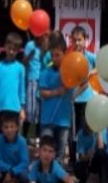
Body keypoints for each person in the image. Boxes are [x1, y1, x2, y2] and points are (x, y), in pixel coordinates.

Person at [39, 32, 73, 166]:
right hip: (48, 119)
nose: (54, 58)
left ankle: (57, 181)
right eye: (52, 55)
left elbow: (79, 83)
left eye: (57, 55)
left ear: (65, 53)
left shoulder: (70, 71)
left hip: (64, 120)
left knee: (59, 154)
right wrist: (58, 91)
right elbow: (42, 93)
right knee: (46, 153)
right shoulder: (46, 72)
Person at [67, 26, 96, 170]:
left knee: (85, 130)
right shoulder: (69, 56)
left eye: (80, 40)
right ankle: (73, 160)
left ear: (85, 41)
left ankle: (85, 160)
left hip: (86, 98)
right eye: (75, 40)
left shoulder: (90, 56)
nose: (77, 43)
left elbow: (100, 67)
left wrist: (90, 72)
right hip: (73, 99)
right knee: (72, 131)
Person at [74, 118, 108, 183]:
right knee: (79, 167)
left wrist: (99, 131)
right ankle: (82, 182)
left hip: (96, 161)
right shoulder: (81, 134)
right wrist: (88, 156)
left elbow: (101, 148)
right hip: (86, 160)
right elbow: (80, 156)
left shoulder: (99, 131)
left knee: (102, 154)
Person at [0, 32, 26, 127]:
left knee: (13, 136)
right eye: (9, 48)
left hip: (15, 107)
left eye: (14, 50)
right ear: (5, 47)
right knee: (0, 135)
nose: (11, 52)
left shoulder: (20, 68)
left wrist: (22, 108)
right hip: (0, 107)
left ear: (18, 51)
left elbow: (22, 90)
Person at [23, 32, 47, 140]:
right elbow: (24, 62)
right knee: (31, 110)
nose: (39, 38)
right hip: (32, 79)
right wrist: (29, 56)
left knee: (41, 111)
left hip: (44, 81)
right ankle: (25, 137)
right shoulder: (30, 45)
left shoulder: (47, 45)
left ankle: (38, 137)